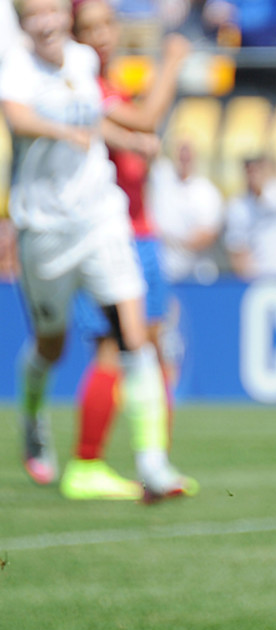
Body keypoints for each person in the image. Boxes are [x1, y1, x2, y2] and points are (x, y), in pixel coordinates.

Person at [1, 0, 187, 500]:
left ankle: (153, 464)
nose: (46, 21)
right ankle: (34, 420)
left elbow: (95, 116)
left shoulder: (82, 61)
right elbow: (17, 118)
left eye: (53, 11)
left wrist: (126, 138)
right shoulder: (16, 66)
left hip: (100, 217)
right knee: (51, 344)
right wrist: (64, 131)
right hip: (43, 227)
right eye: (35, 13)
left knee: (133, 334)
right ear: (21, 22)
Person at [61, 0, 198, 500]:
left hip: (140, 234)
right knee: (115, 351)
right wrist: (175, 61)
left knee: (151, 348)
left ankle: (153, 463)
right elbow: (145, 118)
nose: (100, 35)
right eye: (88, 28)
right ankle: (87, 462)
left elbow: (135, 129)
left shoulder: (108, 84)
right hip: (107, 236)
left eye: (105, 24)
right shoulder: (79, 86)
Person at [150, 137, 225, 283]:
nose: (184, 156)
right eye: (180, 150)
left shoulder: (207, 192)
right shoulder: (162, 178)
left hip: (194, 275)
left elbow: (207, 236)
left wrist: (170, 238)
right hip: (162, 272)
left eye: (188, 151)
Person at [223, 155, 276, 280]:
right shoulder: (238, 206)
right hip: (257, 277)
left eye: (257, 169)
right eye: (250, 170)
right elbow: (237, 248)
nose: (254, 175)